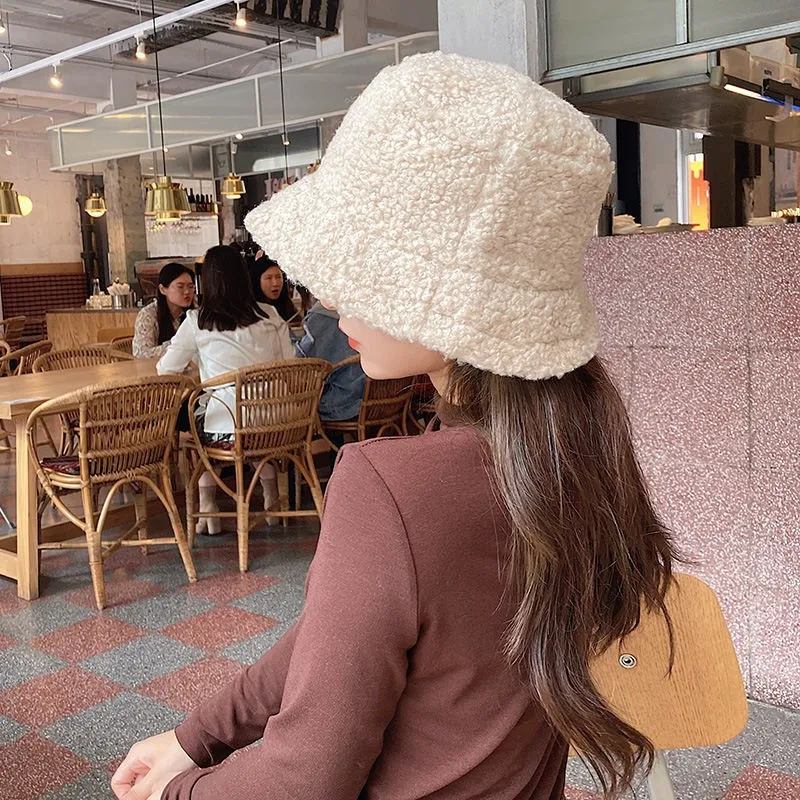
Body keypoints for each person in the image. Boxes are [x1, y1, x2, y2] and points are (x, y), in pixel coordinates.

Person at [112, 53, 676, 800]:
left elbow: (304, 778)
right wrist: (198, 737)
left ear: (451, 299)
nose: (332, 294)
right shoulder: (576, 446)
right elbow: (339, 635)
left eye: (368, 267)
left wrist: (171, 793)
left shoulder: (392, 488)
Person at [156, 245, 294, 535]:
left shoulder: (196, 321)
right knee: (254, 436)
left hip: (229, 429)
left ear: (206, 281)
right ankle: (271, 499)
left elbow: (166, 370)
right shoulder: (270, 315)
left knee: (198, 434)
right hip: (281, 423)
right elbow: (289, 364)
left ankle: (208, 506)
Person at [295, 301, 365, 422]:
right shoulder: (370, 309)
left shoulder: (322, 314)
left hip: (340, 402)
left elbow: (308, 365)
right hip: (378, 397)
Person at [132, 263, 196, 359]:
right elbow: (141, 353)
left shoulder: (195, 311)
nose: (187, 292)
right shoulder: (148, 314)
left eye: (190, 287)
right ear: (162, 289)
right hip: (156, 366)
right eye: (180, 286)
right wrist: (178, 345)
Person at [250, 255, 299, 324]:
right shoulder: (252, 312)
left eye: (278, 277)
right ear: (257, 281)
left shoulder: (288, 307)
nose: (275, 283)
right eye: (269, 278)